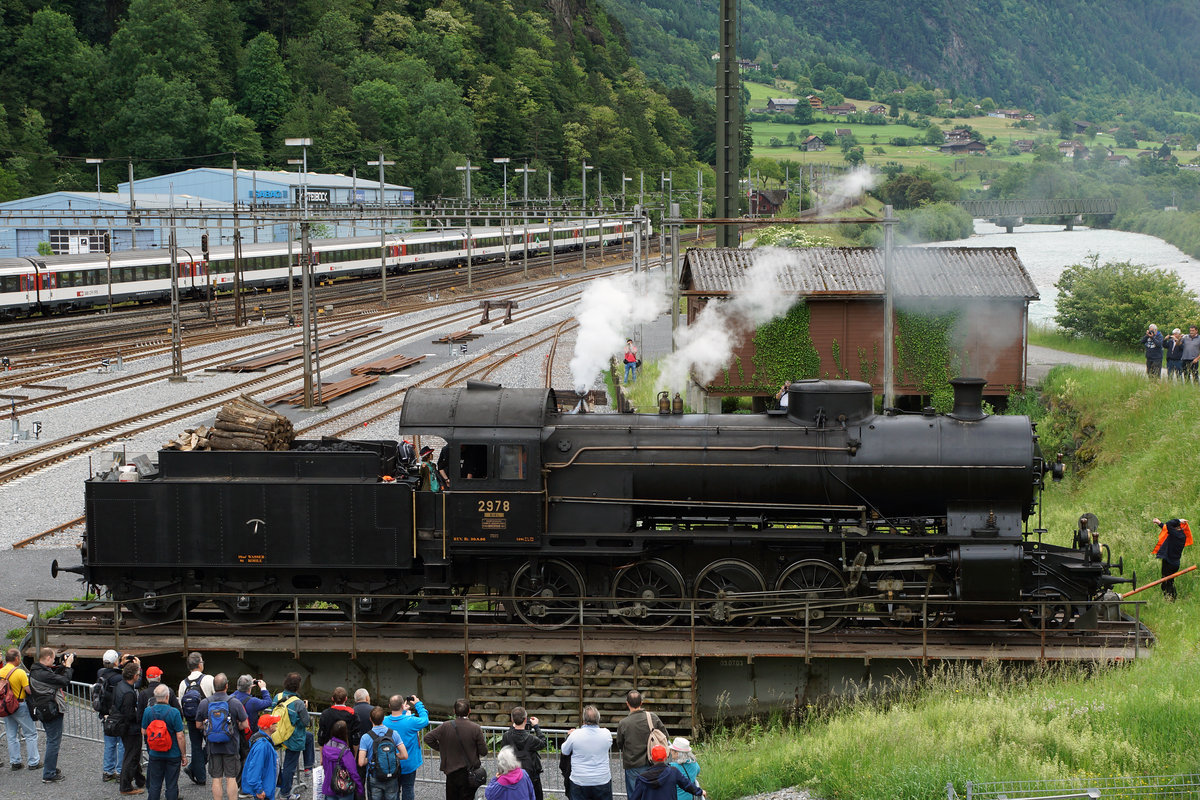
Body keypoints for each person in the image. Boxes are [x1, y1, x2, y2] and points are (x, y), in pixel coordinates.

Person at [195, 673, 249, 800]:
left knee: (216, 778)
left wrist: (209, 728)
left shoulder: (205, 703)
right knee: (231, 778)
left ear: (214, 687)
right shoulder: (234, 702)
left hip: (213, 746)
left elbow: (198, 725)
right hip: (231, 745)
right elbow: (245, 724)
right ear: (226, 686)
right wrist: (235, 727)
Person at [424, 698, 487, 800]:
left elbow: (428, 738)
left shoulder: (446, 726)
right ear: (469, 711)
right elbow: (484, 752)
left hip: (451, 771)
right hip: (469, 771)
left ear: (454, 711)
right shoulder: (475, 728)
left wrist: (441, 748)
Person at [27, 647, 72, 782]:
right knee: (53, 742)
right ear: (47, 658)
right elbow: (64, 681)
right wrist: (68, 666)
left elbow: (53, 677)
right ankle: (49, 774)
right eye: (53, 658)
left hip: (44, 710)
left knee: (51, 740)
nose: (53, 661)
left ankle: (50, 767)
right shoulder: (43, 674)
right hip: (52, 711)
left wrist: (61, 667)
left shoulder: (36, 670)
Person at [615, 690, 668, 798]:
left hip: (632, 764)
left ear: (627, 703)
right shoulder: (653, 717)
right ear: (641, 703)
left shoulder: (624, 723)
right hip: (652, 763)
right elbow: (665, 736)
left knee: (634, 795)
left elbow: (619, 744)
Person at [141, 683, 188, 800]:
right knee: (171, 784)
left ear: (155, 697)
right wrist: (183, 755)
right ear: (167, 696)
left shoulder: (148, 711)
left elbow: (144, 731)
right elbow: (180, 736)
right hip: (173, 753)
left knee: (155, 784)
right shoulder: (174, 712)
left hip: (155, 753)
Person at [273, 671, 314, 800]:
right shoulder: (298, 703)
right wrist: (305, 708)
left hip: (278, 734)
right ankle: (285, 793)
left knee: (309, 737)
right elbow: (306, 722)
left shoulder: (277, 697)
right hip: (293, 738)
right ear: (297, 686)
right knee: (289, 766)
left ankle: (307, 767)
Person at [178, 652, 215, 786]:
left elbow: (180, 702)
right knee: (212, 744)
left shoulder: (183, 683)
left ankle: (200, 776)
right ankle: (194, 768)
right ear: (200, 664)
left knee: (195, 746)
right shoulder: (209, 679)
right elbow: (216, 698)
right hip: (207, 719)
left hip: (192, 719)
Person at [382, 694, 429, 800]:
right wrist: (418, 704)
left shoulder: (383, 721)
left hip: (390, 763)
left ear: (389, 706)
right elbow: (425, 720)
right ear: (402, 706)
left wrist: (402, 712)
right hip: (408, 762)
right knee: (408, 788)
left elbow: (396, 720)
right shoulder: (411, 721)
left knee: (393, 790)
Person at [561, 706, 613, 800]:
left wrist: (571, 735)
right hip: (602, 779)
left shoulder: (575, 735)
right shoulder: (606, 734)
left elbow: (564, 750)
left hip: (580, 780)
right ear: (598, 719)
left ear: (583, 720)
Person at [1, 647, 40, 771]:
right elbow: (28, 690)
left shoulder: (1, 671)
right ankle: (33, 762)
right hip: (19, 705)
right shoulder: (19, 672)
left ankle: (15, 762)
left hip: (5, 707)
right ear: (17, 658)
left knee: (11, 735)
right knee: (31, 734)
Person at [113, 658, 147, 794]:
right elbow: (129, 715)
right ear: (135, 676)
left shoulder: (120, 686)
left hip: (123, 726)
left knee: (133, 754)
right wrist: (141, 715)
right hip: (130, 729)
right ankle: (125, 786)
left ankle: (140, 780)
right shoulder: (128, 693)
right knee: (131, 756)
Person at [358, 706, 407, 800]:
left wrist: (370, 758)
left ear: (370, 719)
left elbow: (361, 762)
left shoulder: (366, 737)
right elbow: (404, 755)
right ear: (383, 718)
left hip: (374, 776)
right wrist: (394, 755)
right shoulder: (394, 734)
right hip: (391, 775)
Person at [500, 706, 547, 800]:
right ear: (526, 719)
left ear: (512, 719)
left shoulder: (506, 736)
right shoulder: (531, 739)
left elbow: (503, 751)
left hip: (512, 773)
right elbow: (543, 742)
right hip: (531, 774)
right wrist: (536, 726)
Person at [629, 745, 704, 800]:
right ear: (665, 758)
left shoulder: (642, 778)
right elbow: (687, 785)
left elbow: (635, 797)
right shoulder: (673, 772)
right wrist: (700, 792)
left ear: (651, 758)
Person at [97, 648, 126, 782]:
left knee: (109, 744)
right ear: (115, 662)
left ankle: (108, 771)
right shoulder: (120, 678)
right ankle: (120, 771)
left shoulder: (101, 673)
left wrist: (119, 666)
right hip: (118, 715)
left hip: (105, 715)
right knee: (121, 744)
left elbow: (111, 671)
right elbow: (134, 683)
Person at [1152, 517, 1193, 600]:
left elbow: (1169, 524)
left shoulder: (1175, 534)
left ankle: (1171, 599)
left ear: (1175, 528)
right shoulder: (1181, 535)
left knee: (1166, 583)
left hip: (1169, 563)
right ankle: (1170, 598)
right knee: (1168, 582)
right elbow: (1167, 527)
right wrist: (1159, 522)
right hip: (1174, 563)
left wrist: (1179, 520)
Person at [241, 714, 280, 800]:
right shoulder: (263, 745)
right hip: (263, 792)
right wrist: (258, 790)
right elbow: (255, 768)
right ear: (270, 727)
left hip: (265, 788)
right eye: (275, 723)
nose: (277, 724)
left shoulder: (262, 740)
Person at [322, 719, 364, 800]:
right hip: (343, 789)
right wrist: (360, 789)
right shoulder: (345, 752)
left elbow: (325, 766)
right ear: (345, 733)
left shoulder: (326, 747)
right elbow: (353, 772)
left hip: (329, 785)